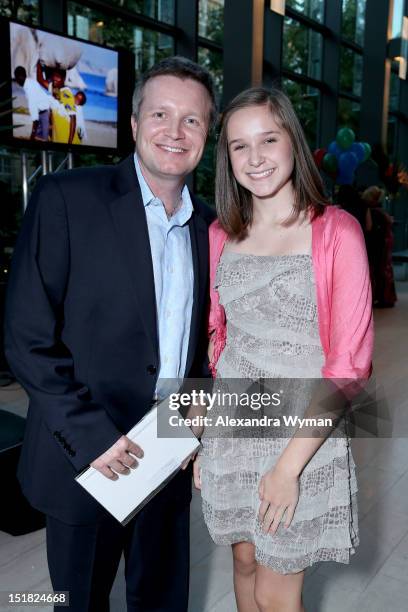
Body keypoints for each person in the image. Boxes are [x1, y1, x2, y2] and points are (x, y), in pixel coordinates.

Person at [5, 56, 216, 612]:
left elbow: (202, 343)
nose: (175, 131)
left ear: (207, 135)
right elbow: (26, 336)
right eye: (161, 114)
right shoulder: (66, 200)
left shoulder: (212, 226)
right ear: (133, 123)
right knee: (80, 601)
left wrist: (196, 412)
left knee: (163, 598)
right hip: (85, 456)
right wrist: (93, 437)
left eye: (192, 120)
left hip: (168, 451)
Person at [193, 87, 373, 612]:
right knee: (244, 562)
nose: (256, 158)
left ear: (292, 141)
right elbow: (216, 344)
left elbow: (349, 367)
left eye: (268, 139)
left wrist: (287, 469)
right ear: (226, 157)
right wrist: (201, 436)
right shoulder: (220, 234)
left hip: (302, 436)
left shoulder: (336, 231)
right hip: (235, 424)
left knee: (278, 588)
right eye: (239, 146)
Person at [362, 185, 397, 307]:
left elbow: (369, 228)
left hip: (378, 243)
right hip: (385, 241)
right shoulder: (380, 211)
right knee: (385, 269)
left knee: (378, 269)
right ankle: (386, 297)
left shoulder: (371, 211)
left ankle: (381, 297)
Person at [14, 66, 51, 141]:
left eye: (16, 78)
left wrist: (32, 134)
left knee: (43, 140)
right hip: (42, 113)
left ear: (20, 77)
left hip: (43, 114)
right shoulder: (29, 83)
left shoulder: (29, 87)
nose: (16, 81)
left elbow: (34, 112)